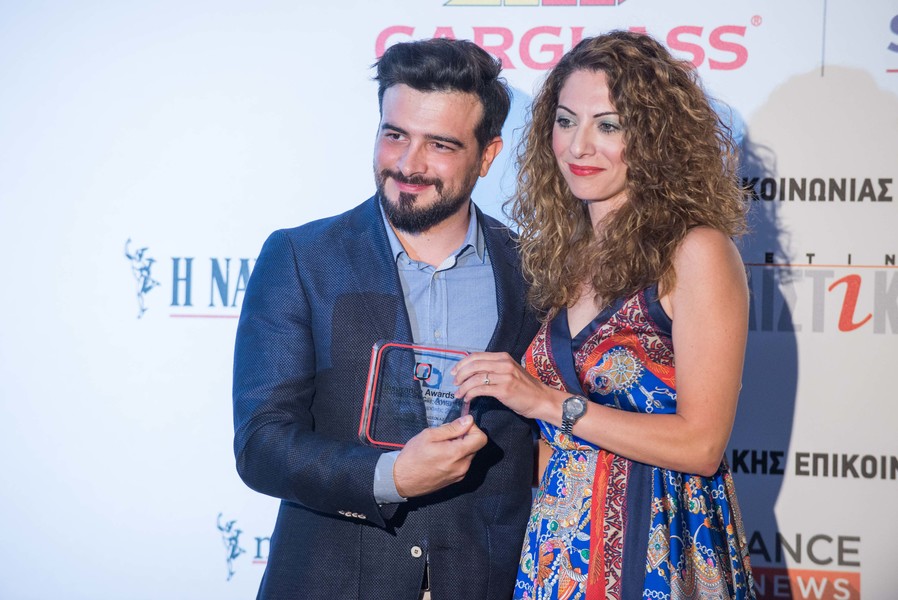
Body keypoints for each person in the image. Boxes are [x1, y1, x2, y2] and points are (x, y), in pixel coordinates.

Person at [232, 38, 540, 600]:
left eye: (440, 144)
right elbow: (262, 444)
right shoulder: (302, 258)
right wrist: (389, 477)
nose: (408, 164)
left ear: (487, 155)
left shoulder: (535, 272)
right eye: (395, 134)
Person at [452, 31, 756, 599]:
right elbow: (552, 444)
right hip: (556, 553)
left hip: (660, 541)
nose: (578, 146)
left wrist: (548, 403)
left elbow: (702, 445)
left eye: (608, 126)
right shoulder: (561, 255)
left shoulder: (697, 252)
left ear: (655, 137)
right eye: (565, 121)